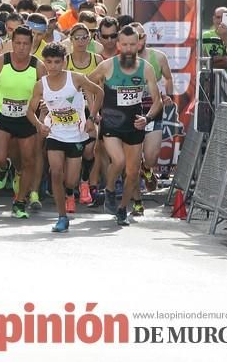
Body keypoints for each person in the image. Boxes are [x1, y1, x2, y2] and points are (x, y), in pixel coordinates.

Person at [88, 26, 162, 226]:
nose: (129, 49)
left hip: (134, 125)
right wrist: (93, 112)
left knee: (132, 171)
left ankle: (122, 208)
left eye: (133, 44)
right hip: (111, 123)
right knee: (118, 161)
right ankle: (110, 189)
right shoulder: (107, 66)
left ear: (139, 44)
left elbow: (158, 101)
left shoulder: (146, 67)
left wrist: (146, 118)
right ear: (119, 45)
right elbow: (87, 85)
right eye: (125, 45)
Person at [26, 43, 103, 232]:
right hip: (55, 134)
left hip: (76, 135)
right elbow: (29, 110)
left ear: (64, 62)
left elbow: (99, 92)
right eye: (49, 62)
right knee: (56, 172)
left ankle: (71, 191)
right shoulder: (41, 84)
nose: (53, 66)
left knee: (70, 180)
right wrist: (39, 125)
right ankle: (62, 217)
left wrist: (92, 118)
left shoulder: (75, 78)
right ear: (44, 63)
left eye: (57, 62)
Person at [0, 26, 46, 218]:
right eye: (18, 43)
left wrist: (44, 111)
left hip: (27, 119)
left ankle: (20, 202)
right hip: (3, 116)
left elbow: (48, 91)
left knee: (28, 162)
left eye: (26, 44)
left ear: (32, 45)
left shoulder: (38, 66)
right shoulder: (0, 62)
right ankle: (3, 169)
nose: (21, 48)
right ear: (12, 42)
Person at [131, 22, 174, 210]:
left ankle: (147, 168)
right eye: (133, 38)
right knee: (131, 159)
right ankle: (136, 201)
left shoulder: (158, 57)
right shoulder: (121, 61)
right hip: (130, 112)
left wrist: (168, 96)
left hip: (152, 110)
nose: (137, 41)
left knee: (151, 156)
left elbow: (168, 78)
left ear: (145, 38)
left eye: (140, 37)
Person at [65, 23, 104, 206]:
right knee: (71, 150)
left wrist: (94, 114)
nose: (80, 41)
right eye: (76, 37)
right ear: (70, 40)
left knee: (89, 149)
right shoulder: (65, 61)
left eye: (84, 37)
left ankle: (85, 181)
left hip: (92, 109)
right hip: (69, 110)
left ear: (90, 39)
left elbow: (102, 89)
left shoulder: (97, 60)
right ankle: (69, 189)